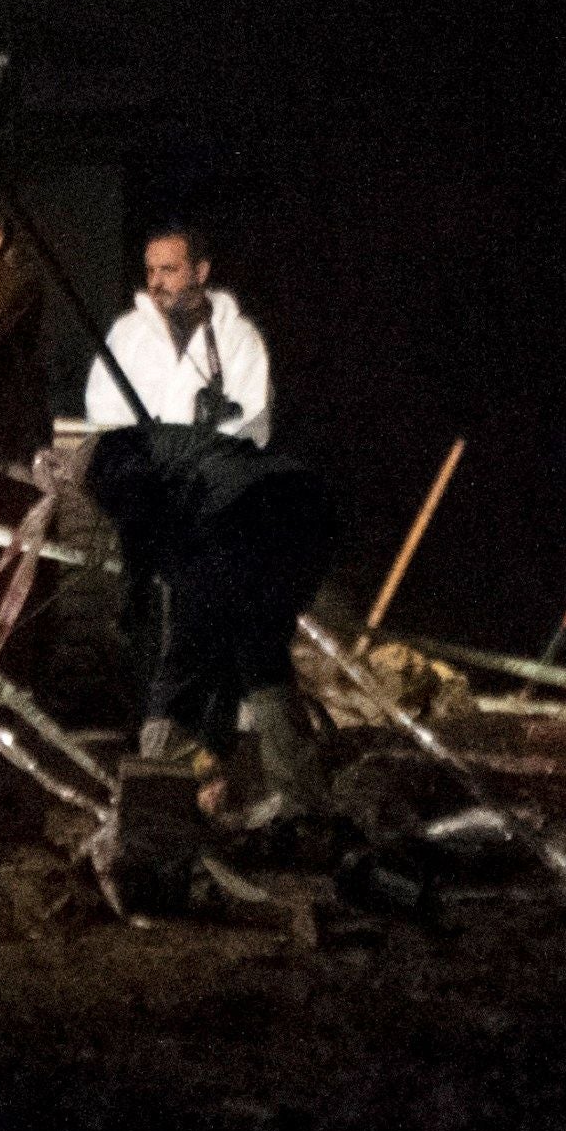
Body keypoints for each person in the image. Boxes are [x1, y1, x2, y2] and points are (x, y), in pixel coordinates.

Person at [80, 421, 335, 824]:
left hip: (242, 513)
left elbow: (138, 525)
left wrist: (133, 603)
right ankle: (302, 804)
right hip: (306, 507)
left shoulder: (107, 457)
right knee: (260, 657)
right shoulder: (172, 450)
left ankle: (155, 798)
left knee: (186, 655)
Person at [85, 224, 272, 447]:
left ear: (200, 272)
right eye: (151, 271)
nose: (156, 283)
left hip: (210, 477)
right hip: (137, 475)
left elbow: (249, 422)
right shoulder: (126, 332)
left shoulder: (239, 337)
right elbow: (102, 411)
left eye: (168, 270)